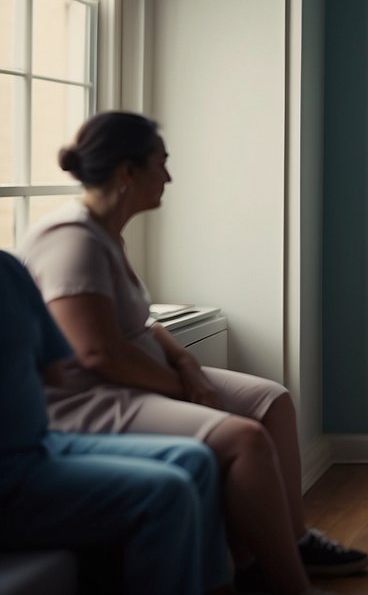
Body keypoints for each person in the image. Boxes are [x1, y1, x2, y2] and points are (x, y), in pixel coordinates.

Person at [18, 111, 368, 595]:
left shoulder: (107, 233)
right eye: (160, 163)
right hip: (91, 401)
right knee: (244, 439)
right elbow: (98, 353)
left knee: (272, 401)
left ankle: (290, 540)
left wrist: (185, 362)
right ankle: (283, 580)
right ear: (127, 172)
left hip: (141, 378)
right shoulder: (71, 242)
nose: (168, 176)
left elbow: (140, 324)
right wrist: (185, 388)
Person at [0, 250, 229, 595]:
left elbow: (54, 369)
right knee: (166, 491)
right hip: (10, 477)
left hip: (42, 443)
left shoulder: (8, 267)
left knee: (195, 459)